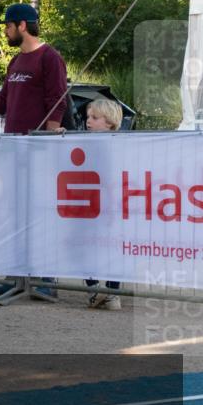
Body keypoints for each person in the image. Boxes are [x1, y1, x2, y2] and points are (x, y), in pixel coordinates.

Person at [0, 3, 68, 134]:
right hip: (13, 143)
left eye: (8, 26)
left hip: (37, 145)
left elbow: (57, 104)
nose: (5, 31)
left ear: (22, 25)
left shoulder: (50, 57)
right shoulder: (15, 61)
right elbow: (2, 105)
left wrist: (48, 140)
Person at [84, 97, 124, 310]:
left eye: (94, 118)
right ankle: (94, 289)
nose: (88, 121)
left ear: (109, 122)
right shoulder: (85, 141)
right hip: (89, 205)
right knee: (84, 245)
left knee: (113, 247)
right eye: (88, 117)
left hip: (111, 204)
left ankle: (111, 293)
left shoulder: (119, 144)